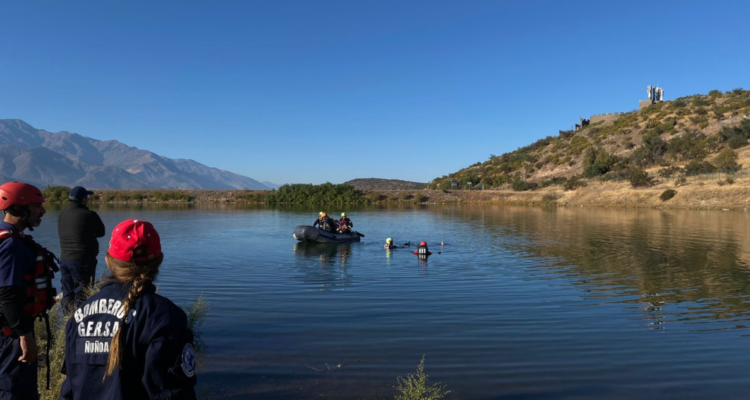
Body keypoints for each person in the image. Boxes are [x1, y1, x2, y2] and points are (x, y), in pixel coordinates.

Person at [60, 219, 197, 400]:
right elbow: (172, 392)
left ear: (108, 262)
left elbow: (69, 389)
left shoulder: (79, 317)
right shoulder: (165, 316)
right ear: (159, 261)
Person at [0, 181, 57, 400]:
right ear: (19, 208)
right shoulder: (12, 246)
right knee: (14, 391)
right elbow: (7, 295)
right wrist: (25, 336)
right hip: (10, 335)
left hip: (10, 330)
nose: (42, 211)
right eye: (37, 206)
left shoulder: (8, 238)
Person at [58, 186, 105, 313]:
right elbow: (101, 232)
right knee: (83, 293)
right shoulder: (89, 214)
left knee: (67, 292)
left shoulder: (62, 214)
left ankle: (68, 320)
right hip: (82, 260)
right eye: (87, 197)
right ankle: (81, 320)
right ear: (83, 199)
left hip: (64, 259)